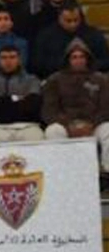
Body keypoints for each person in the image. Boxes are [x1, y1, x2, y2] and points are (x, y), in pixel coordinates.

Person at [41, 39, 109, 171]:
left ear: (87, 59)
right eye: (74, 57)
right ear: (68, 60)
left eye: (82, 57)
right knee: (53, 131)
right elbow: (49, 110)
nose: (78, 60)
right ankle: (60, 170)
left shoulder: (101, 79)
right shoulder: (54, 80)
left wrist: (91, 125)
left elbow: (106, 108)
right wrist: (68, 125)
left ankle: (107, 169)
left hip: (94, 124)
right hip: (65, 125)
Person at [0, 44, 44, 143]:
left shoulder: (32, 80)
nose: (8, 61)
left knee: (36, 139)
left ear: (19, 59)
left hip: (27, 125)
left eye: (12, 57)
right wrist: (16, 99)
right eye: (4, 58)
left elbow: (32, 104)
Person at [32, 5, 109, 78]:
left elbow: (106, 61)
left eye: (76, 20)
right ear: (59, 18)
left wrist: (87, 65)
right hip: (56, 79)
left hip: (90, 78)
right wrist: (67, 66)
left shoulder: (93, 34)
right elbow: (38, 65)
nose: (73, 24)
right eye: (68, 21)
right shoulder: (45, 36)